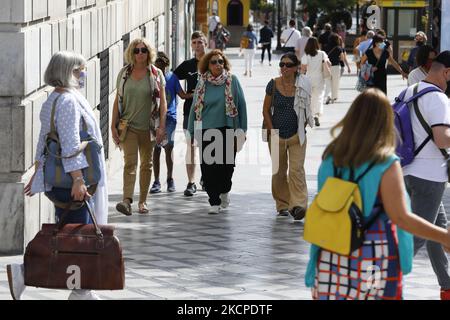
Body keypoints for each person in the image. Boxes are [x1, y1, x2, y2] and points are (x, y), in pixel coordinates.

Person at [306, 88, 450, 300]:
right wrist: (444, 236)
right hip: (375, 261)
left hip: (332, 256)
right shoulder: (385, 164)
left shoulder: (331, 159)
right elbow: (401, 218)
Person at [7, 51, 109, 300]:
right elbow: (70, 143)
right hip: (71, 182)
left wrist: (37, 173)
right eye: (78, 70)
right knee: (77, 238)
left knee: (70, 235)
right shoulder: (68, 102)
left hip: (60, 181)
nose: (83, 74)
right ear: (66, 72)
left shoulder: (53, 99)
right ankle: (25, 272)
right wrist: (78, 179)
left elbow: (44, 141)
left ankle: (82, 290)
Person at [402, 51, 450, 300]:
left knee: (436, 230)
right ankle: (382, 283)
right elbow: (441, 137)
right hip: (430, 176)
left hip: (405, 171)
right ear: (447, 72)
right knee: (418, 237)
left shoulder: (409, 91)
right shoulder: (439, 99)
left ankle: (447, 286)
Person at [111, 38, 167, 216]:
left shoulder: (156, 74)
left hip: (149, 127)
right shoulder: (124, 74)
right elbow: (117, 100)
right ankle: (127, 200)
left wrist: (161, 127)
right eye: (136, 50)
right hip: (128, 126)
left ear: (148, 52)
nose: (140, 53)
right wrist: (113, 126)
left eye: (143, 50)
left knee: (147, 164)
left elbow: (163, 103)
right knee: (130, 163)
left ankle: (142, 201)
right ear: (131, 53)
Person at [187, 50, 247, 214]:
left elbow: (241, 105)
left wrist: (242, 130)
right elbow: (194, 108)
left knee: (226, 167)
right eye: (213, 62)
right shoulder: (202, 83)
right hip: (206, 128)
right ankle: (214, 200)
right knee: (208, 168)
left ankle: (224, 191)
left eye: (220, 61)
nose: (218, 65)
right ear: (207, 65)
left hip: (227, 127)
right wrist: (191, 131)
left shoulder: (232, 80)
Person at [262, 53, 312, 220]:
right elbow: (266, 110)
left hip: (297, 135)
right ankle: (283, 204)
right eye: (282, 64)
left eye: (288, 65)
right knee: (279, 172)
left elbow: (306, 109)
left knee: (296, 170)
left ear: (296, 68)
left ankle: (298, 205)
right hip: (277, 135)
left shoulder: (303, 84)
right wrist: (272, 131)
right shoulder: (273, 84)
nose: (284, 68)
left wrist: (302, 127)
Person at [150, 52, 192, 194]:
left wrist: (196, 93)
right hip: (154, 117)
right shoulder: (151, 77)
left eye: (162, 63)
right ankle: (156, 181)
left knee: (168, 148)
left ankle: (170, 179)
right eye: (157, 63)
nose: (159, 66)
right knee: (156, 149)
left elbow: (182, 94)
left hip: (170, 118)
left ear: (166, 65)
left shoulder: (172, 78)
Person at [174, 31, 207, 196]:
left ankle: (206, 179)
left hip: (209, 112)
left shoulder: (213, 62)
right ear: (191, 45)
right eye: (194, 42)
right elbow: (171, 78)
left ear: (205, 43)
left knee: (207, 146)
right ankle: (191, 182)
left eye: (200, 42)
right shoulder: (187, 65)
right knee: (191, 147)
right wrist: (183, 95)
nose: (197, 45)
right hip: (190, 111)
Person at [301, 37, 328, 127]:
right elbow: (328, 64)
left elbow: (303, 69)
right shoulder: (322, 54)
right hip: (319, 79)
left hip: (308, 79)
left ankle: (311, 115)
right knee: (319, 97)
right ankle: (317, 114)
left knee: (310, 98)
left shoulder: (306, 56)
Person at [324, 33, 351, 104]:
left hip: (327, 66)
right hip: (336, 67)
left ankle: (328, 95)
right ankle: (333, 97)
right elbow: (342, 58)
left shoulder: (325, 47)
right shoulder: (339, 48)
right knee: (335, 83)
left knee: (328, 82)